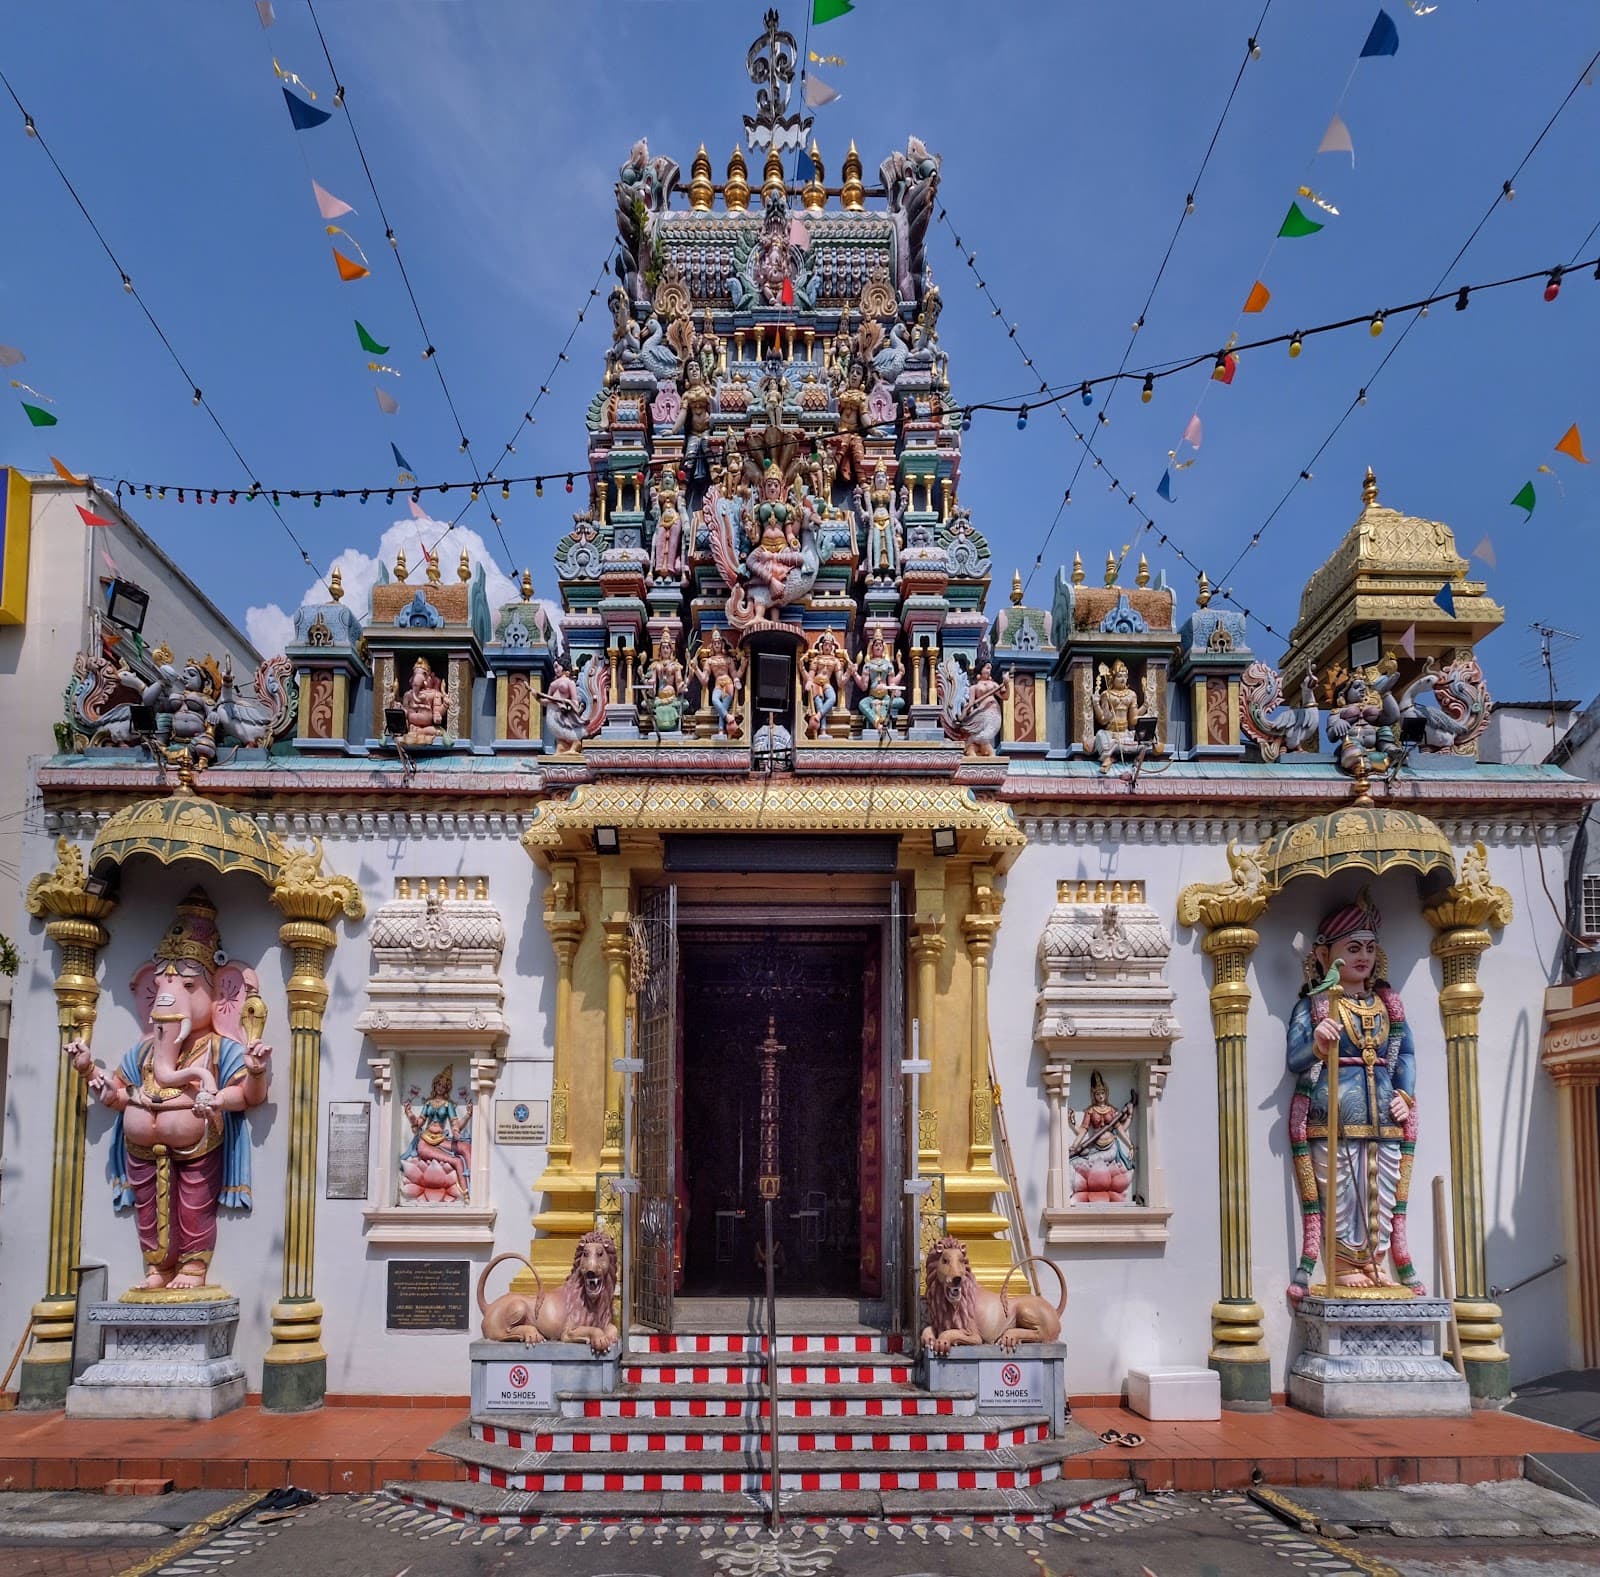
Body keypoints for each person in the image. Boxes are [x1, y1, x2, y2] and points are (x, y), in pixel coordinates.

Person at [1285, 894, 1422, 1300]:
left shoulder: (1386, 1006)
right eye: (1352, 948)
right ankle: (1344, 1265)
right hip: (1333, 1113)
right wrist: (1317, 1042)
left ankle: (1376, 1263)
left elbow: (1406, 1055)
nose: (1362, 957)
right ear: (1325, 956)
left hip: (1384, 1112)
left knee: (1382, 1188)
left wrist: (1405, 1094)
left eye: (1368, 948)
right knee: (1342, 1188)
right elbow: (1295, 1057)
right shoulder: (1315, 1005)